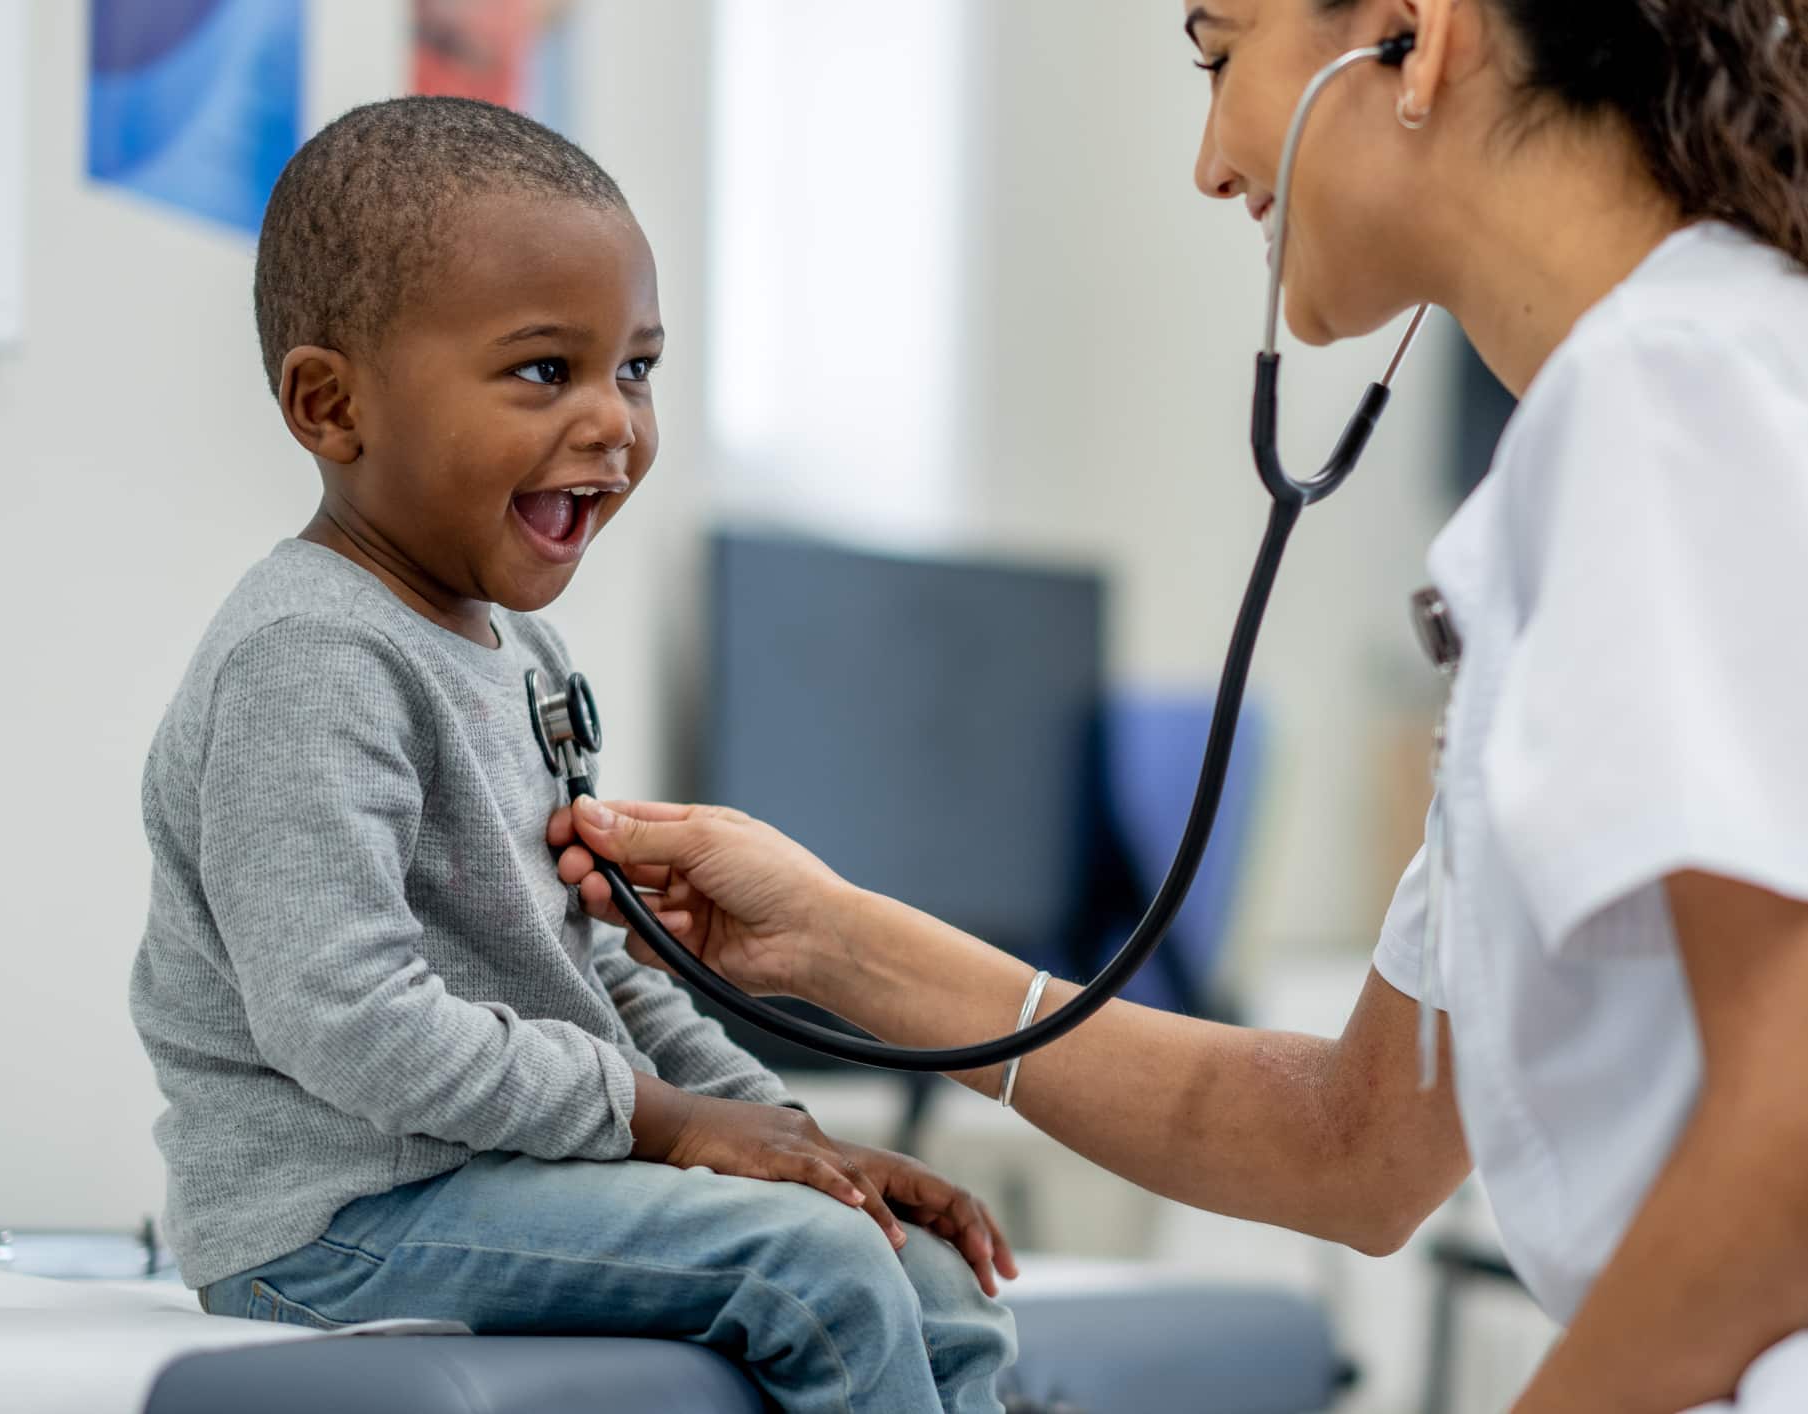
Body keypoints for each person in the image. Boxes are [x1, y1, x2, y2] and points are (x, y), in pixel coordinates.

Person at [552, 2, 1808, 1409]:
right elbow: (1357, 1141)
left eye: (1219, 56)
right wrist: (832, 939)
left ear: (1407, 32)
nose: (1209, 163)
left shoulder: (1670, 386)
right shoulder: (1662, 394)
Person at [128, 96, 1016, 1414]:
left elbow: (603, 968)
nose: (615, 422)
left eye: (637, 369)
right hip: (338, 1219)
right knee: (816, 1267)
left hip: (505, 1169)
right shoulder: (310, 657)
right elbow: (347, 1023)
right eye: (547, 370)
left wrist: (802, 1142)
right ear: (331, 404)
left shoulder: (523, 659)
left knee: (917, 1263)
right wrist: (671, 1127)